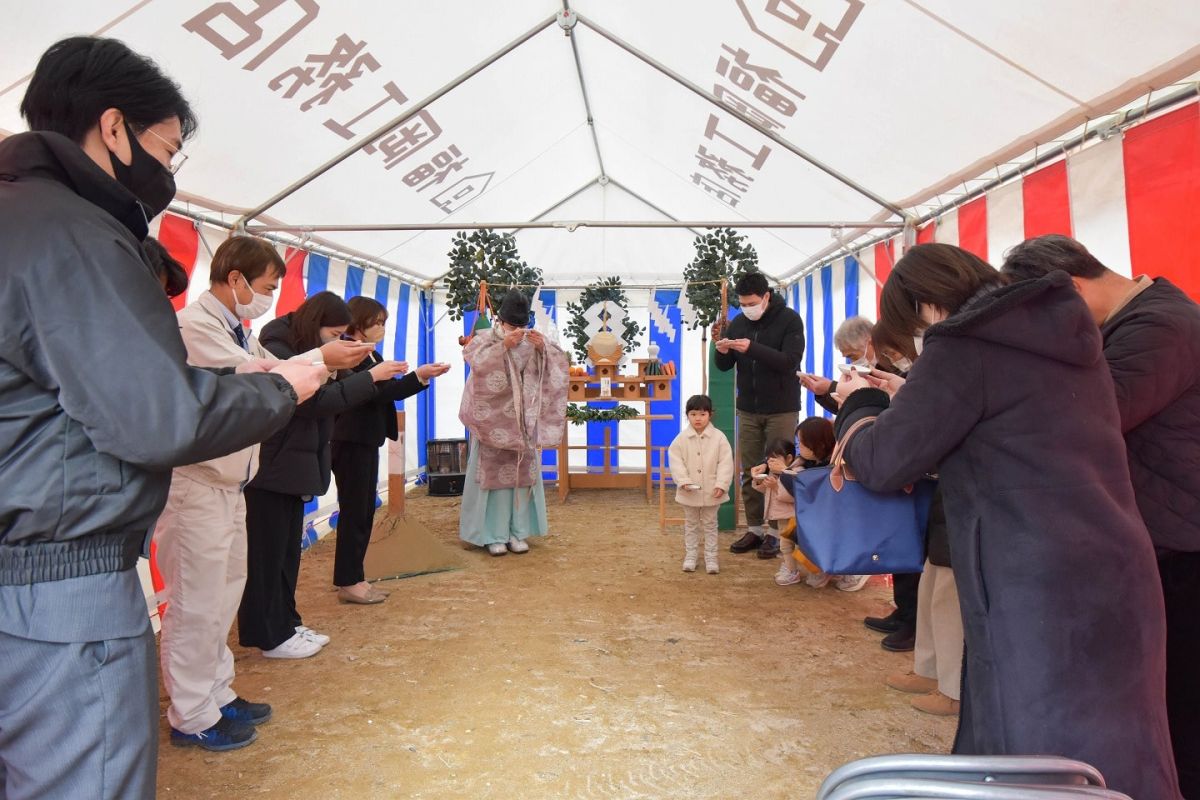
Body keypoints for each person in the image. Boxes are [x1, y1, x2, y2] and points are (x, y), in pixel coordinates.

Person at [0, 36, 325, 799]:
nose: (169, 173)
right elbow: (159, 414)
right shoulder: (72, 233)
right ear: (113, 129)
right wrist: (287, 387)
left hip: (33, 553)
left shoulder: (21, 219)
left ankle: (209, 697)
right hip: (62, 570)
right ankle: (199, 708)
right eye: (167, 149)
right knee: (87, 772)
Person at [832, 243, 1180, 799]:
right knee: (1127, 746)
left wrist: (862, 402)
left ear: (926, 306)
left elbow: (884, 460)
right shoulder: (1068, 331)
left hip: (1034, 583)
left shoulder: (963, 347)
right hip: (1119, 563)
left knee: (1038, 760)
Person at [153, 237, 370, 752]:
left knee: (224, 593)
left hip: (229, 482)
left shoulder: (236, 328)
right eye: (269, 286)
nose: (271, 296)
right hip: (196, 483)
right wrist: (322, 355)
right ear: (236, 279)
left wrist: (324, 358)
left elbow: (261, 370)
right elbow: (257, 377)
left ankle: (215, 693)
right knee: (195, 603)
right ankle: (191, 714)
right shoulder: (194, 328)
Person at [1002, 234, 1200, 795]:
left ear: (1069, 287)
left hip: (1185, 545)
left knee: (1182, 708)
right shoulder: (1135, 323)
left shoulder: (1161, 328)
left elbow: (1089, 415)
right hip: (1165, 535)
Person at [239, 292, 406, 659]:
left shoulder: (308, 342)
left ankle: (286, 622)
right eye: (333, 333)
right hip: (275, 460)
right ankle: (269, 634)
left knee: (286, 550)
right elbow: (314, 401)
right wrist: (368, 376)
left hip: (299, 459)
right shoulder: (277, 342)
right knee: (267, 553)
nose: (337, 341)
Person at [800, 316, 916, 642]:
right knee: (898, 540)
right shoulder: (878, 369)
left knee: (907, 542)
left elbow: (873, 407)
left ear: (870, 341)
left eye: (852, 354)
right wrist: (829, 391)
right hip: (892, 464)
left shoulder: (899, 370)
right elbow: (855, 408)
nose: (852, 361)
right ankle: (904, 611)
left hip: (903, 465)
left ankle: (913, 620)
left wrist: (835, 389)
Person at [330, 296, 448, 604]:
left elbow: (386, 392)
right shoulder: (346, 354)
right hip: (349, 440)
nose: (382, 328)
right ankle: (348, 580)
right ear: (358, 323)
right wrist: (402, 376)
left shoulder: (369, 354)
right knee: (356, 510)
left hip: (365, 439)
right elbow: (368, 395)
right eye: (377, 322)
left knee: (364, 509)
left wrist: (419, 376)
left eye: (384, 323)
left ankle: (354, 576)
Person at [458, 292, 570, 555]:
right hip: (493, 419)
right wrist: (503, 347)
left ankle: (518, 532)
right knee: (492, 479)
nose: (518, 330)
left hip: (523, 419)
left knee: (522, 476)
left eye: (522, 325)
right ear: (500, 320)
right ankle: (492, 534)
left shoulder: (532, 340)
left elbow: (558, 364)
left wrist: (543, 349)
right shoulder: (485, 341)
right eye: (512, 325)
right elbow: (475, 362)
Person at [713, 272, 805, 558]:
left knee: (778, 470)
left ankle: (777, 533)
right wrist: (721, 348)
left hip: (781, 408)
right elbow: (725, 366)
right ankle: (755, 529)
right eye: (742, 303)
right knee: (750, 470)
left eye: (751, 302)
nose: (746, 308)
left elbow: (789, 362)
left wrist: (752, 348)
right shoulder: (739, 322)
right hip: (748, 409)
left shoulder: (789, 320)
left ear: (766, 296)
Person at [669, 395, 734, 574]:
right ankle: (690, 556)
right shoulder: (681, 439)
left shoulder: (719, 438)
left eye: (702, 414)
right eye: (693, 414)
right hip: (689, 492)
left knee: (711, 524)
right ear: (687, 415)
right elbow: (676, 462)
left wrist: (722, 484)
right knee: (690, 524)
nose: (698, 418)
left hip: (713, 492)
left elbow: (726, 463)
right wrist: (683, 481)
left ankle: (711, 558)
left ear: (710, 415)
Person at [748, 437, 799, 581]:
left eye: (775, 458)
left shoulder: (794, 472)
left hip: (792, 517)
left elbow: (794, 496)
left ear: (789, 458)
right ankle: (791, 569)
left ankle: (794, 571)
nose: (771, 462)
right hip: (781, 517)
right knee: (785, 546)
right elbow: (765, 491)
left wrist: (776, 486)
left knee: (795, 546)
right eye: (769, 459)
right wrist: (758, 479)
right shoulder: (772, 472)